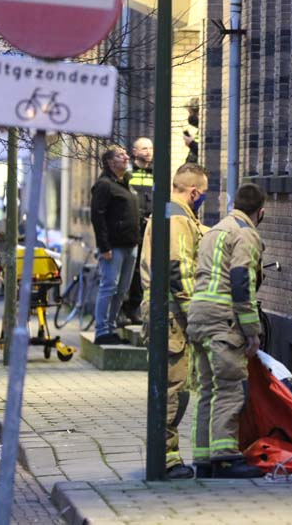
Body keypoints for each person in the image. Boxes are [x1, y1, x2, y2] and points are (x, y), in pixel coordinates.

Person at [186, 183, 266, 479]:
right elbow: (241, 281)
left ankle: (204, 457)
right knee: (231, 388)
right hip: (224, 320)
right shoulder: (246, 233)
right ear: (261, 212)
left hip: (199, 317)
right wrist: (252, 329)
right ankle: (225, 456)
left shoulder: (214, 230)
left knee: (207, 389)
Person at [140, 162, 208, 479]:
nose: (202, 199)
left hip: (165, 313)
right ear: (193, 192)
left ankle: (165, 453)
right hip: (172, 316)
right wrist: (197, 313)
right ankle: (165, 458)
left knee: (174, 385)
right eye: (203, 194)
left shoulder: (174, 214)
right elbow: (180, 269)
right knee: (173, 387)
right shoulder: (177, 218)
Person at [90, 145, 140, 345]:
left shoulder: (126, 183)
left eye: (125, 154)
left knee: (121, 290)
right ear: (110, 162)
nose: (126, 157)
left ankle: (111, 328)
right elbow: (97, 216)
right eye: (121, 155)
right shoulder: (104, 185)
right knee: (108, 287)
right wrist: (104, 247)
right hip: (113, 247)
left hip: (130, 245)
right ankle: (102, 331)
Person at [120, 137, 155, 326]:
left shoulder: (157, 173)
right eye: (144, 148)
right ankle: (123, 309)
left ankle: (136, 308)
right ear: (134, 152)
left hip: (149, 227)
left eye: (150, 148)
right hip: (131, 227)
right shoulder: (128, 173)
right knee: (129, 269)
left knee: (143, 268)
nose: (148, 151)